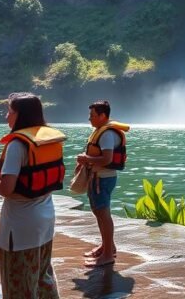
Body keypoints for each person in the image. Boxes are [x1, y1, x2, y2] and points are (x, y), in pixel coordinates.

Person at [0, 93, 63, 298]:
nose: (6, 117)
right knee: (43, 277)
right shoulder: (47, 139)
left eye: (9, 112)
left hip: (20, 227)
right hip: (45, 220)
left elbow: (6, 189)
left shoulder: (17, 145)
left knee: (18, 284)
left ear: (21, 115)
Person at [76, 100, 129, 268]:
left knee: (103, 214)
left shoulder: (106, 134)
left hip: (103, 179)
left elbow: (107, 159)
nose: (89, 118)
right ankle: (107, 246)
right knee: (99, 212)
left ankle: (107, 255)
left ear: (102, 116)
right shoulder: (102, 131)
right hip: (99, 177)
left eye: (92, 115)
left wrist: (86, 159)